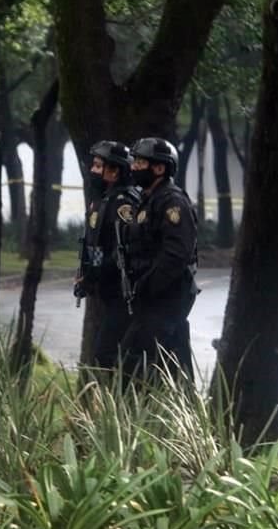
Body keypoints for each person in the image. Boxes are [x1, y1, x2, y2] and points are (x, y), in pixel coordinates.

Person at [120, 137, 198, 385]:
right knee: (170, 361)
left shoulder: (172, 202)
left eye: (141, 162)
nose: (134, 167)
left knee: (140, 358)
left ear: (159, 168)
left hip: (167, 295)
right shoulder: (148, 199)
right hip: (151, 296)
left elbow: (176, 255)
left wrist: (147, 285)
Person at [74, 141, 140, 375]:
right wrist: (88, 277)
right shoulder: (102, 200)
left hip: (124, 295)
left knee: (109, 355)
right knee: (105, 356)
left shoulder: (123, 204)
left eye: (98, 165)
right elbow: (97, 246)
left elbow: (125, 250)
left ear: (114, 171)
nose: (93, 170)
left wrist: (95, 273)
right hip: (107, 292)